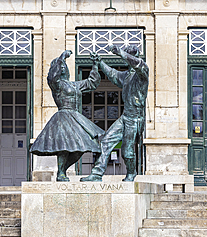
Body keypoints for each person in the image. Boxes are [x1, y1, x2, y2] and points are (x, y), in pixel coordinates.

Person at [30, 50, 104, 182]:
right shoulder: (57, 85)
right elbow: (52, 77)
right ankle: (61, 173)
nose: (63, 68)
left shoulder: (74, 85)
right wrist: (61, 58)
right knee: (64, 147)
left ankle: (65, 170)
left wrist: (95, 65)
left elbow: (92, 83)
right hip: (63, 117)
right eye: (60, 66)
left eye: (64, 66)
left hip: (76, 117)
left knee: (84, 146)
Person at [81, 45, 149, 182]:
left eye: (131, 55)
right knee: (106, 141)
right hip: (125, 117)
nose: (129, 58)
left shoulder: (142, 72)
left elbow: (137, 64)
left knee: (127, 151)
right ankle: (97, 173)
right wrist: (100, 62)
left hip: (135, 118)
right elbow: (112, 74)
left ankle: (131, 173)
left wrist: (120, 52)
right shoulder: (127, 76)